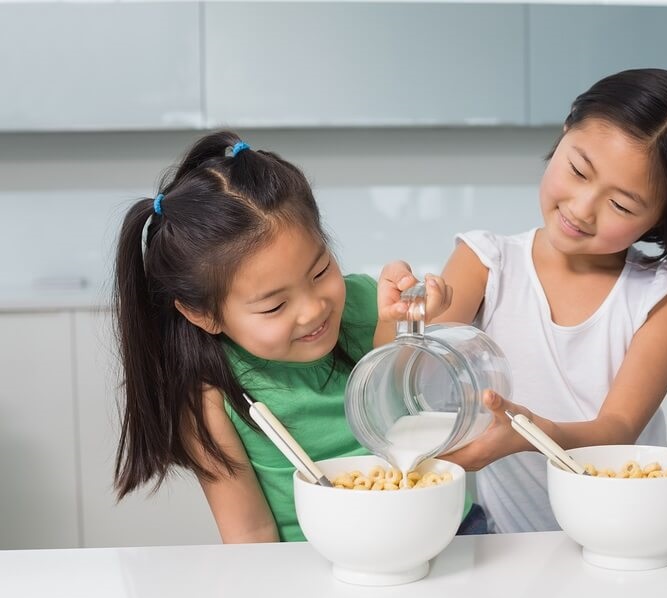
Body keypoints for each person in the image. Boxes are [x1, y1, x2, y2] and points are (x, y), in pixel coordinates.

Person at [111, 131, 464, 542]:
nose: (314, 309)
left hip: (440, 532)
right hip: (311, 567)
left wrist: (402, 321)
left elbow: (398, 409)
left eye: (320, 272)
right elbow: (249, 531)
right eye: (275, 306)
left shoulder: (366, 303)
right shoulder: (211, 398)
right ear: (203, 315)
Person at [436, 68, 667, 533]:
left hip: (630, 534)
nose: (581, 208)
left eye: (622, 205)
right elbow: (411, 364)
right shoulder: (486, 262)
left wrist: (532, 434)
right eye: (578, 170)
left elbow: (617, 429)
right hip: (512, 544)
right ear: (566, 129)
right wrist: (405, 313)